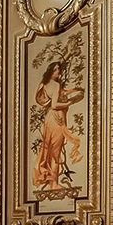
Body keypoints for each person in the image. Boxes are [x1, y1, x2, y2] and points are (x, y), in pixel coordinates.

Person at [33, 61, 84, 191]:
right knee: (55, 152)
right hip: (56, 120)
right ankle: (54, 183)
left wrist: (72, 91)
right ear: (51, 71)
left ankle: (51, 181)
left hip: (50, 119)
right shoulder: (55, 85)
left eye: (59, 70)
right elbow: (54, 104)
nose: (58, 73)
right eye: (56, 70)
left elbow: (59, 94)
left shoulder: (45, 84)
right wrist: (71, 102)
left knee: (50, 151)